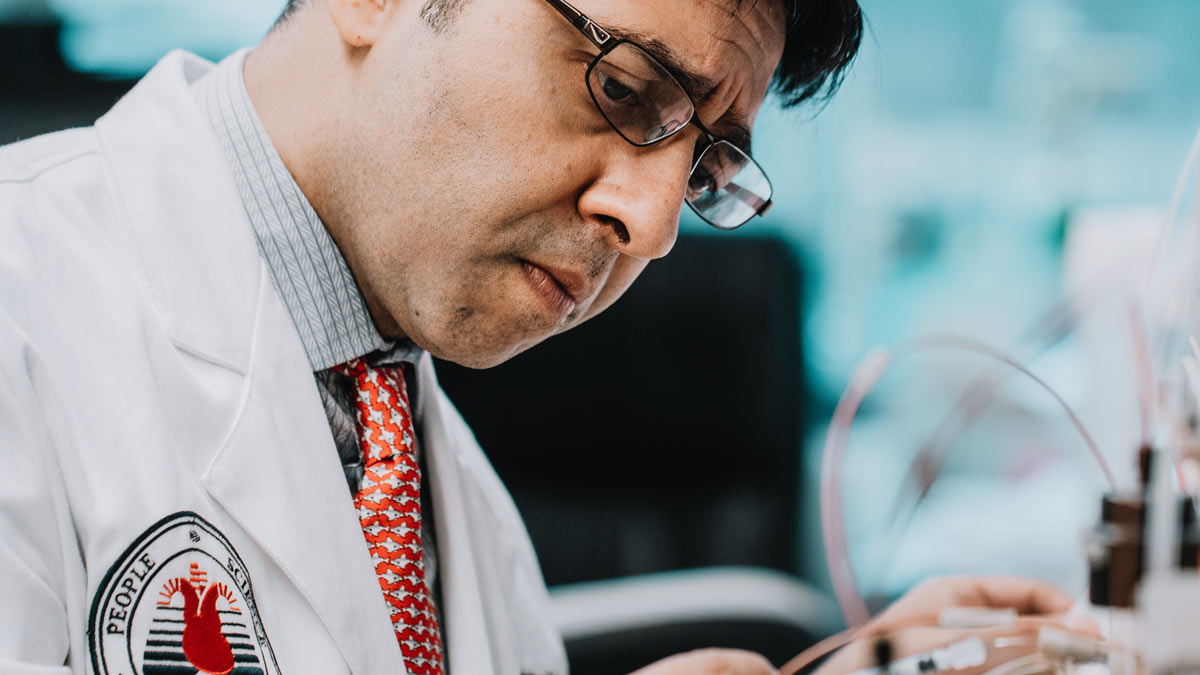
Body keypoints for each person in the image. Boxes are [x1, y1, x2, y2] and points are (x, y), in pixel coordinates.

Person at [0, 0, 1090, 673]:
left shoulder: (425, 471)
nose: (656, 227)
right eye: (624, 89)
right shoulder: (25, 312)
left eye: (704, 169)